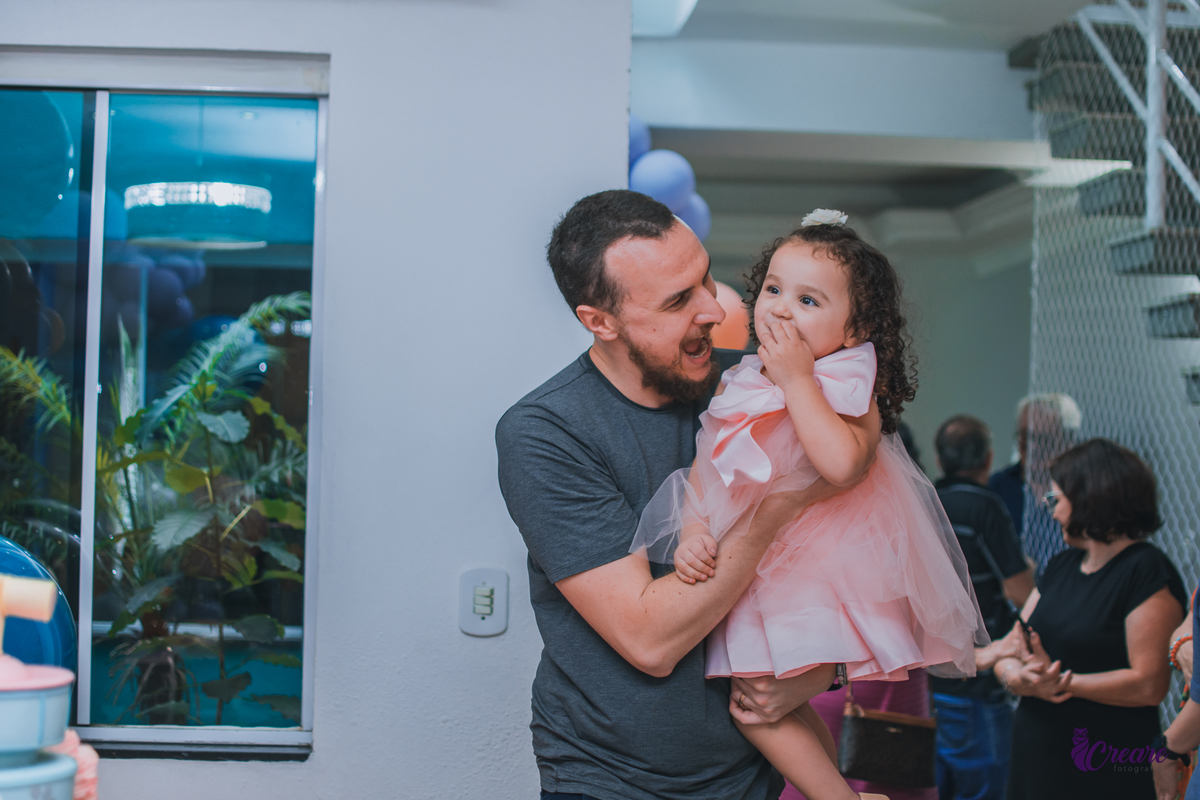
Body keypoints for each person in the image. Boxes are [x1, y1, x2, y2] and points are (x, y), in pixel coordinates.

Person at [496, 190, 854, 800]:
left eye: (705, 279)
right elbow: (648, 639)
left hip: (752, 776)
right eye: (678, 300)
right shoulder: (547, 432)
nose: (714, 310)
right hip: (611, 780)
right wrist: (782, 504)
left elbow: (852, 554)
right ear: (599, 322)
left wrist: (825, 671)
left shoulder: (756, 384)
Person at [631, 210, 986, 800]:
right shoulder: (742, 379)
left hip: (819, 566)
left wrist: (798, 382)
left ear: (854, 329)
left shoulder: (845, 383)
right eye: (773, 289)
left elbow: (843, 465)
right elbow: (705, 467)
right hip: (748, 562)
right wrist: (693, 529)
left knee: (754, 701)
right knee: (759, 698)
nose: (780, 308)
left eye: (808, 300)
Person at [995, 439, 1185, 800]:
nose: (1050, 511)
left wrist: (1062, 683)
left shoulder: (1145, 570)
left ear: (1089, 498)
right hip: (1037, 757)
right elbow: (1010, 648)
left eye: (1056, 500)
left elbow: (1149, 685)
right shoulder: (1061, 566)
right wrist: (1016, 679)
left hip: (1102, 761)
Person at [930, 415, 1034, 800]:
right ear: (988, 459)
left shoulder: (924, 501)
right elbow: (1020, 591)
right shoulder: (985, 506)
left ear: (940, 461)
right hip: (976, 680)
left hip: (926, 677)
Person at [988, 394, 1081, 575]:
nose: (1033, 447)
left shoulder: (1084, 492)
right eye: (1026, 437)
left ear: (1069, 441)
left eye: (1044, 439)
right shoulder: (997, 488)